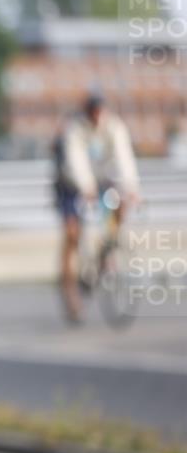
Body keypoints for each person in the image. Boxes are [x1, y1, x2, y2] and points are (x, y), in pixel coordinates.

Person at [53, 94, 141, 323]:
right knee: (73, 234)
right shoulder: (75, 129)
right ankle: (70, 290)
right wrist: (86, 187)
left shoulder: (114, 127)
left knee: (119, 206)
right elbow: (76, 161)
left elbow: (124, 158)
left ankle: (107, 250)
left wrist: (131, 187)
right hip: (72, 185)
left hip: (102, 182)